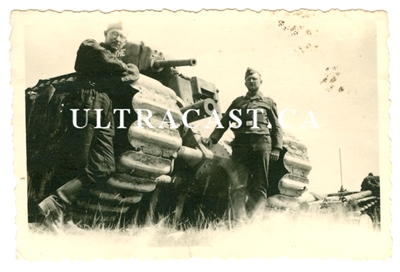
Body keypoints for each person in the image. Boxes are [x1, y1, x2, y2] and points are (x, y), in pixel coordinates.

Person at [37, 23, 140, 231]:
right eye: (114, 34)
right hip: (86, 101)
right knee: (77, 160)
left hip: (105, 107)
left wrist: (123, 69)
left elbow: (129, 77)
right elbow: (102, 58)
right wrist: (123, 68)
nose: (118, 39)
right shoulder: (91, 46)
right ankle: (62, 217)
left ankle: (56, 204)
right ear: (106, 34)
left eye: (122, 37)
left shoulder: (115, 61)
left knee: (105, 166)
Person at [203, 67, 283, 223]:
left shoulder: (268, 102)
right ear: (245, 82)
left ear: (261, 82)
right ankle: (240, 220)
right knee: (238, 185)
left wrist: (277, 148)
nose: (251, 81)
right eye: (249, 79)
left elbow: (277, 126)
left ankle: (254, 220)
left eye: (254, 79)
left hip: (261, 146)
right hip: (241, 148)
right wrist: (212, 139)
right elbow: (224, 122)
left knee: (260, 186)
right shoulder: (238, 102)